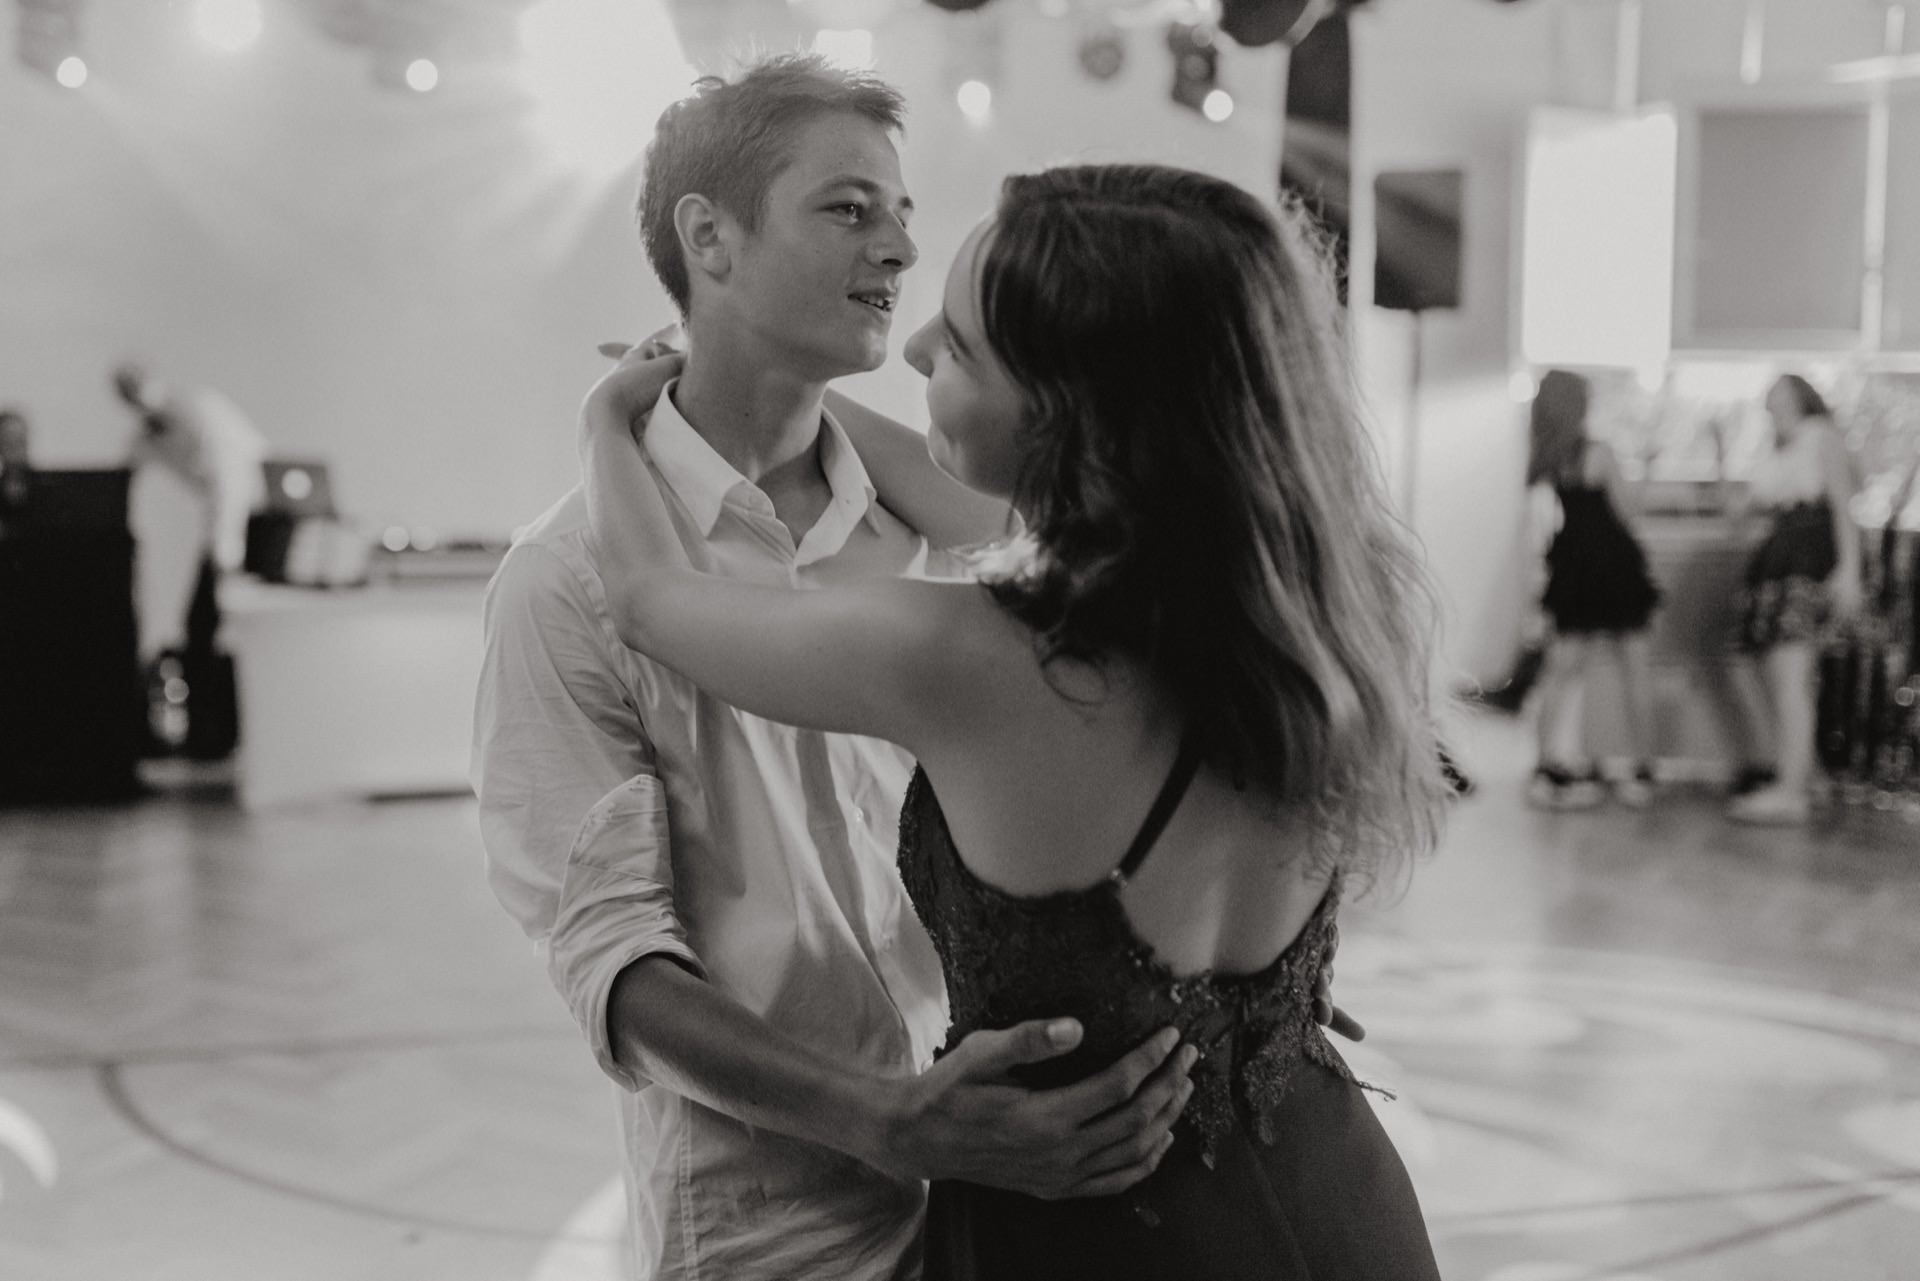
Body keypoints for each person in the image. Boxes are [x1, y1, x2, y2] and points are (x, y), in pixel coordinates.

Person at [579, 162, 1446, 1279]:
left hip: (1113, 1239)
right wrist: (761, 366)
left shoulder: (967, 657)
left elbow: (653, 605)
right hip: (1334, 1194)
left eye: (966, 347)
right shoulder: (1306, 600)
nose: (917, 348)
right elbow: (981, 500)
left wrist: (610, 418)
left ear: (1074, 415)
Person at [473, 57, 1194, 1281]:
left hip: (1033, 1172)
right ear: (710, 236)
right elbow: (613, 960)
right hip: (775, 1214)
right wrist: (889, 1122)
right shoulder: (567, 579)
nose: (902, 251)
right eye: (850, 209)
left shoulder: (950, 533)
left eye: (906, 215)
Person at [1723, 373, 1863, 825]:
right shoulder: (1776, 450)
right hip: (1779, 557)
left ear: (1801, 398)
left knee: (1791, 675)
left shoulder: (1822, 439)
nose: (1772, 405)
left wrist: (1850, 571)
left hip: (1808, 557)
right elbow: (1744, 510)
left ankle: (1790, 790)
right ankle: (1804, 776)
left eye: (1779, 397)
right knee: (1778, 674)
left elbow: (1842, 506)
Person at [1523, 370, 1662, 809]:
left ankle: (1546, 768)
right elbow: (1630, 510)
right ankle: (1643, 770)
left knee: (1560, 673)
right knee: (1634, 672)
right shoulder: (1599, 453)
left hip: (1573, 573)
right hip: (1614, 571)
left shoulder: (1545, 459)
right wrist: (1649, 468)